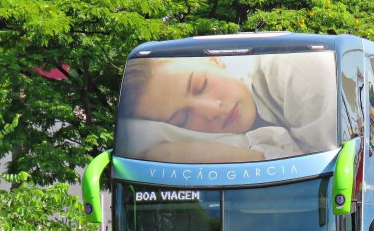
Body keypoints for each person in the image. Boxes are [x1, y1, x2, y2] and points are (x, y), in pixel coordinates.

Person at [116, 53, 337, 162]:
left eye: (200, 85)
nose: (211, 110)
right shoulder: (239, 136)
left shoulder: (290, 68)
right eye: (183, 119)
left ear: (214, 60)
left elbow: (330, 177)